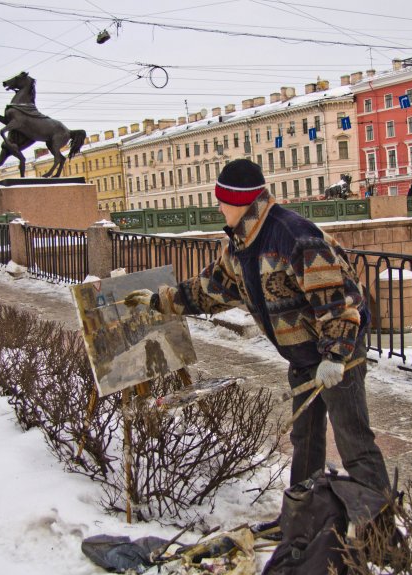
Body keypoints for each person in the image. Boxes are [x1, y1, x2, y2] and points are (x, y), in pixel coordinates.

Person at [124, 159, 392, 499]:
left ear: (239, 201)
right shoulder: (241, 246)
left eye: (221, 200)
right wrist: (158, 301)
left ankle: (380, 532)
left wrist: (335, 355)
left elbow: (338, 301)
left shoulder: (294, 236)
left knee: (352, 437)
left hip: (338, 353)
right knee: (305, 438)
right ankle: (302, 519)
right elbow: (211, 289)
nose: (218, 207)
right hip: (305, 356)